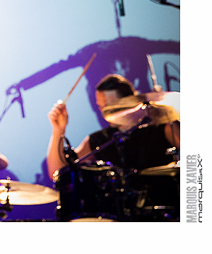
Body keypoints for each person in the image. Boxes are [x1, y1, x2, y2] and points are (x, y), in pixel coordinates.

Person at [46, 74, 180, 220]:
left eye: (109, 105)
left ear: (130, 100)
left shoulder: (162, 128)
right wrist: (58, 129)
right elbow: (57, 172)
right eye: (100, 106)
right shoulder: (99, 140)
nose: (104, 112)